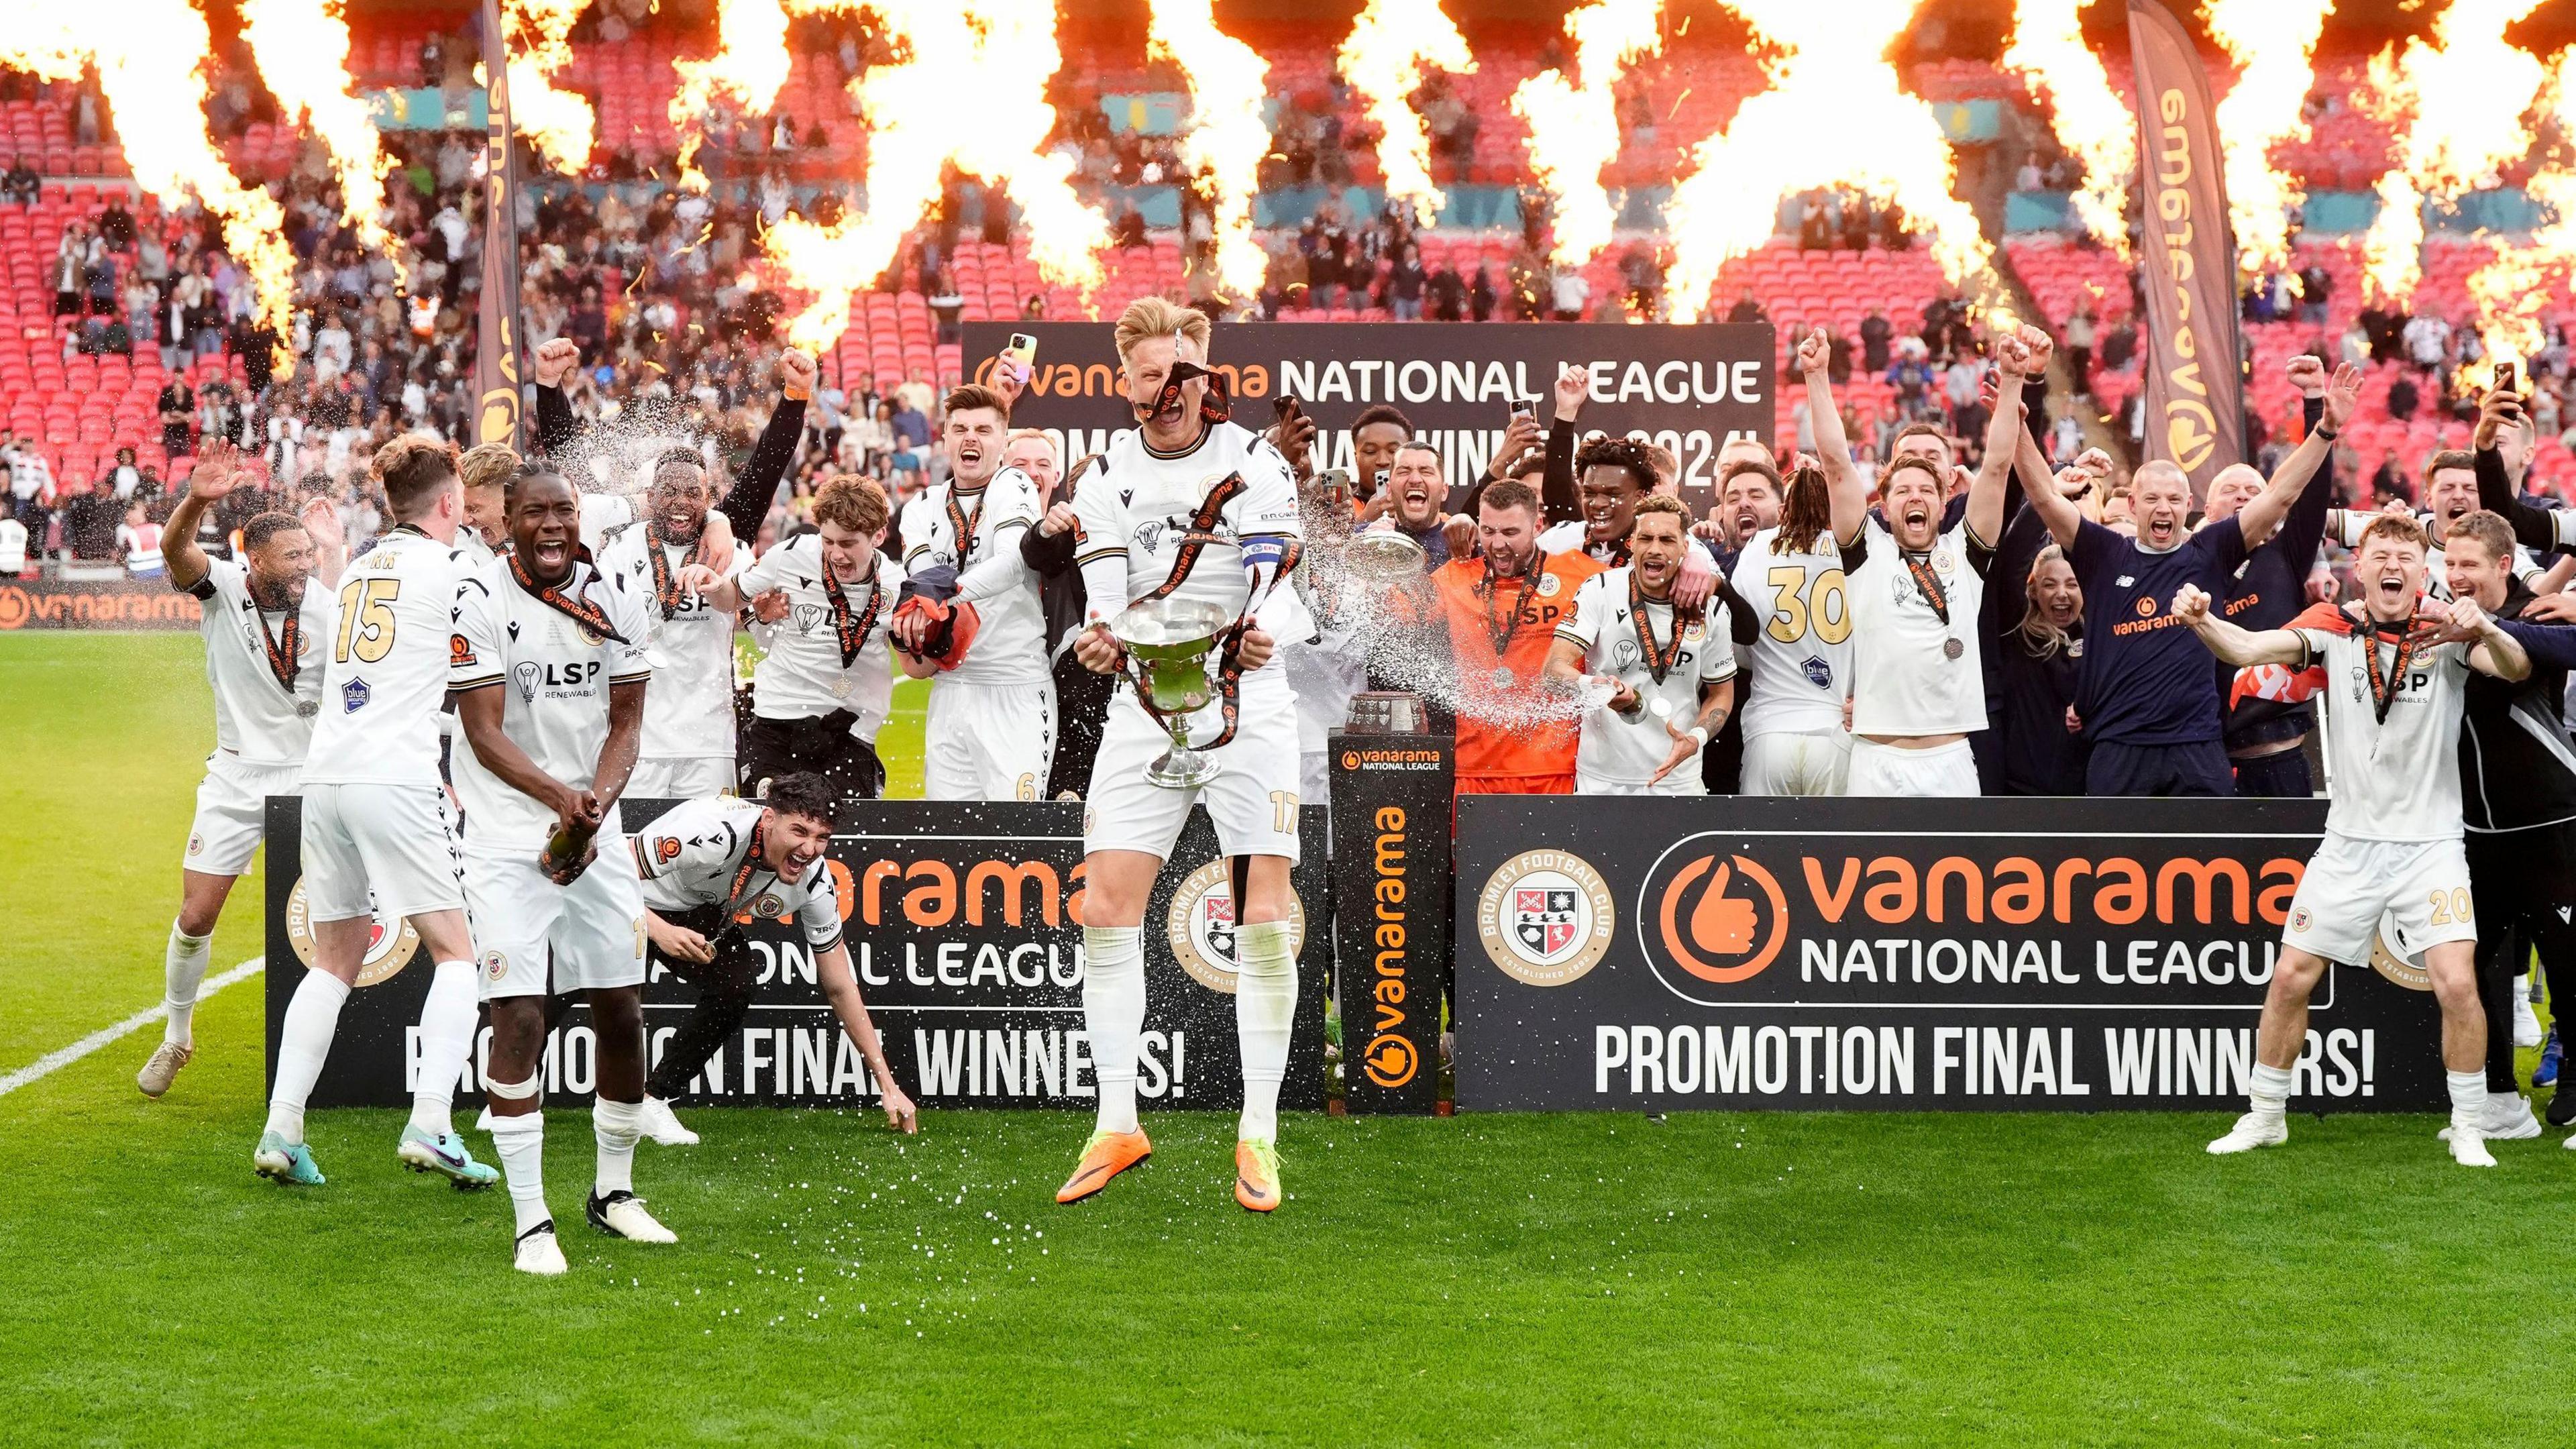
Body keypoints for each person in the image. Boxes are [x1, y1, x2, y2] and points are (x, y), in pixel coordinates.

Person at [2178, 513, 2530, 1167]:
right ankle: (2265, 1116)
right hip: (2348, 845)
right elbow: (2248, 649)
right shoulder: (2334, 627)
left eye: (2405, 556)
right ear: (2360, 569)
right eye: (2381, 556)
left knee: (2456, 985)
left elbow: (2512, 667)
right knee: (2289, 979)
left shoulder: (2448, 630)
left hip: (2431, 847)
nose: (2393, 566)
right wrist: (2201, 620)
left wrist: (2487, 627)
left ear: (2421, 573)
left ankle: (2471, 1126)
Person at [1062, 297, 1308, 1213]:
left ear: (1203, 380)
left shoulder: (1253, 462)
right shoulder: (1105, 473)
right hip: (1145, 707)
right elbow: (1105, 593)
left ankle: (1259, 1133)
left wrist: (1260, 633)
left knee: (1264, 917)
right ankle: (1118, 1122)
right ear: (1124, 383)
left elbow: (1277, 582)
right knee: (1105, 908)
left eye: (1178, 375)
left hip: (1248, 706)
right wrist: (1099, 640)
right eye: (1145, 378)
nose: (1162, 392)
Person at [259, 435, 500, 1192]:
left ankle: (282, 1129)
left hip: (325, 774)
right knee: (457, 952)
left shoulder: (361, 567)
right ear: (451, 502)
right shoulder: (459, 567)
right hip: (396, 774)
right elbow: (480, 678)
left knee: (334, 960)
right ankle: (432, 1123)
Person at [447, 461, 665, 1274]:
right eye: (533, 512)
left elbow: (628, 723)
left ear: (580, 518)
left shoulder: (617, 593)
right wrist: (559, 803)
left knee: (621, 1010)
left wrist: (594, 809)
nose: (550, 526)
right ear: (505, 518)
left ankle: (613, 1195)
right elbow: (483, 732)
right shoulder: (478, 595)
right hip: (505, 840)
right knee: (522, 1021)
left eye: (563, 512)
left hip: (595, 829)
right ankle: (531, 1221)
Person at [2009, 329, 2357, 796]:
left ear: (2188, 504)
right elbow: (2042, 495)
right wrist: (2021, 402)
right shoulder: (2103, 552)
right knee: (2117, 869)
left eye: (2174, 499)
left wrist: (2324, 431)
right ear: (2132, 505)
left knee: (2213, 867)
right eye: (2152, 498)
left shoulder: (2209, 550)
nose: (2163, 508)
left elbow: (2281, 496)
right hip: (2119, 749)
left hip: (2197, 747)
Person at [134, 444, 343, 1098]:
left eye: (309, 556)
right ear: (254, 561)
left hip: (311, 779)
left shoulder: (326, 603)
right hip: (235, 777)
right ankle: (176, 1035)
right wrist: (197, 500)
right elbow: (176, 554)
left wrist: (332, 559)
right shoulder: (223, 590)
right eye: (294, 558)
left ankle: (341, 1048)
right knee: (197, 915)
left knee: (338, 918)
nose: (304, 568)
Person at [628, 776, 918, 1145]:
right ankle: (527, 1085)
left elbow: (840, 986)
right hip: (623, 899)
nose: (809, 849)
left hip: (693, 910)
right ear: (768, 819)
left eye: (822, 837)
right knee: (565, 992)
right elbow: (604, 872)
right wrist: (658, 930)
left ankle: (653, 1101)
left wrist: (887, 1084)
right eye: (799, 831)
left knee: (735, 984)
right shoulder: (714, 831)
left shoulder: (814, 884)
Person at [1821, 331, 2013, 796]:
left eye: (1927, 490)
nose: (1915, 496)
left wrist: (2013, 380)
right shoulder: (1866, 554)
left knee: (1956, 872)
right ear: (1883, 507)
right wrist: (1814, 375)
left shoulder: (1964, 556)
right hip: (1875, 758)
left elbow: (1998, 466)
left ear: (1946, 501)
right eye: (1902, 490)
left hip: (1949, 759)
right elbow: (1836, 464)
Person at [2438, 508, 2576, 1139]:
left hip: (2553, 824)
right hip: (2474, 837)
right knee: (2459, 968)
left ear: (2502, 564)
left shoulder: (2539, 612)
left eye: (2469, 564)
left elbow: (2544, 651)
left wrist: (2482, 629)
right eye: (2450, 563)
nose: (2457, 575)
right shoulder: (2438, 619)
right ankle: (2499, 1098)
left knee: (2570, 966)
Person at [698, 476, 908, 804]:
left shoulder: (897, 586)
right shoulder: (791, 554)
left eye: (848, 543)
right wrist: (714, 585)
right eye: (828, 541)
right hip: (777, 720)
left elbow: (918, 667)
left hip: (851, 730)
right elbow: (733, 598)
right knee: (765, 836)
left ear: (878, 536)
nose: (836, 554)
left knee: (846, 844)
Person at [895, 374, 1056, 801]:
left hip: (1014, 685)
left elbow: (1012, 565)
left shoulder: (1013, 485)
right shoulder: (921, 506)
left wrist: (944, 593)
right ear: (945, 437)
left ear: (1003, 440)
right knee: (951, 839)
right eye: (961, 429)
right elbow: (921, 583)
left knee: (1018, 833)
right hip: (951, 688)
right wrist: (921, 609)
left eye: (984, 430)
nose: (972, 439)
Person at [1413, 478, 1603, 794]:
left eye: (1511, 533)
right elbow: (1397, 608)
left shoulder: (1579, 574)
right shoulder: (1455, 575)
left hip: (1556, 768)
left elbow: (1645, 585)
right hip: (1476, 770)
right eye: (1488, 531)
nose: (1498, 544)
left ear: (1538, 526)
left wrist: (1697, 562)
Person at [1546, 495, 1735, 794]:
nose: (1655, 549)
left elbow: (1721, 694)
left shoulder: (1710, 609)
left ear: (1685, 548)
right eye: (1646, 538)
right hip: (1602, 782)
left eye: (1667, 540)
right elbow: (1553, 672)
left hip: (1679, 782)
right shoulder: (1601, 590)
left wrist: (1696, 738)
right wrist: (1599, 687)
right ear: (1632, 543)